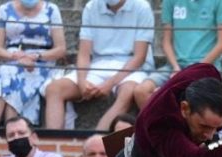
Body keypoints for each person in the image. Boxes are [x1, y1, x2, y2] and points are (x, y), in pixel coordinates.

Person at [42, 0, 153, 131]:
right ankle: (53, 145)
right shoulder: (91, 7)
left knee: (127, 93)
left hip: (131, 67)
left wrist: (109, 84)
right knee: (54, 89)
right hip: (98, 64)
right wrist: (82, 81)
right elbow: (84, 53)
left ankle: (97, 142)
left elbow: (139, 57)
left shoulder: (142, 7)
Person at [131, 0, 222, 109]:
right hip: (174, 67)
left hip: (205, 67)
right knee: (141, 91)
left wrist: (193, 70)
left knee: (186, 96)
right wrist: (175, 67)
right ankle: (163, 125)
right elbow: (166, 42)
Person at [0, 0, 66, 127]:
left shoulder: (52, 9)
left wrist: (36, 56)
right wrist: (15, 56)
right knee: (9, 69)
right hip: (13, 57)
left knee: (9, 73)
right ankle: (10, 124)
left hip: (41, 61)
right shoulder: (5, 9)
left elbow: (61, 49)